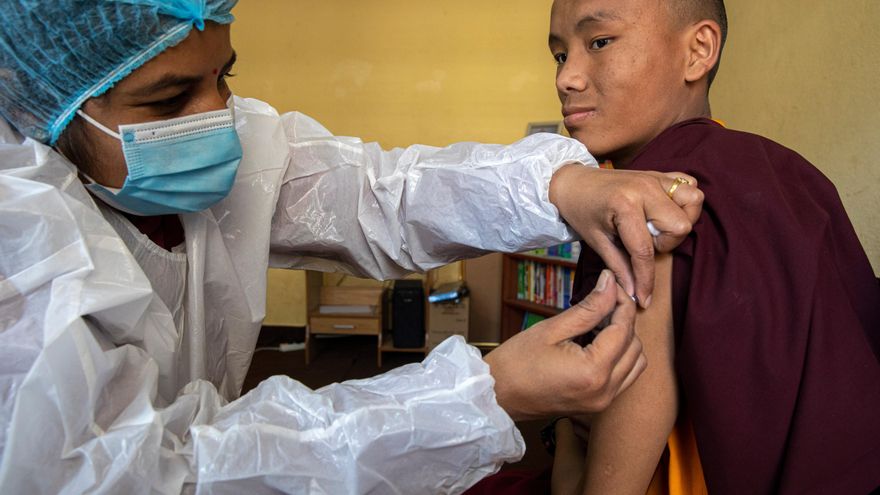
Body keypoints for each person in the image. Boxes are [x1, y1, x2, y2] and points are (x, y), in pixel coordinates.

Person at [0, 1, 706, 493]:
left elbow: (380, 194)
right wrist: (483, 394)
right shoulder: (20, 250)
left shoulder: (218, 146)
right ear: (47, 105)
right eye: (168, 98)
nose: (217, 117)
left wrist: (558, 184)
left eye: (226, 76)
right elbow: (149, 477)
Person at [545, 0, 880, 494]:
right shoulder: (792, 174)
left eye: (599, 42)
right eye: (558, 55)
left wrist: (560, 427)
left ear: (698, 50)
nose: (566, 78)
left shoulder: (646, 208)